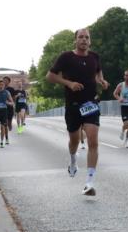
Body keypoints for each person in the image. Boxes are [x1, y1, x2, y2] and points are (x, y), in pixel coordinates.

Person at [46, 28, 109, 195]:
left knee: (93, 141)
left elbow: (97, 73)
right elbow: (50, 76)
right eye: (81, 37)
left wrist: (101, 80)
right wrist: (69, 83)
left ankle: (89, 182)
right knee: (74, 141)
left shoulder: (95, 57)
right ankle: (73, 160)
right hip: (73, 105)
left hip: (91, 104)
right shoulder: (66, 57)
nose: (84, 40)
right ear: (75, 40)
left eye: (87, 37)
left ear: (90, 41)